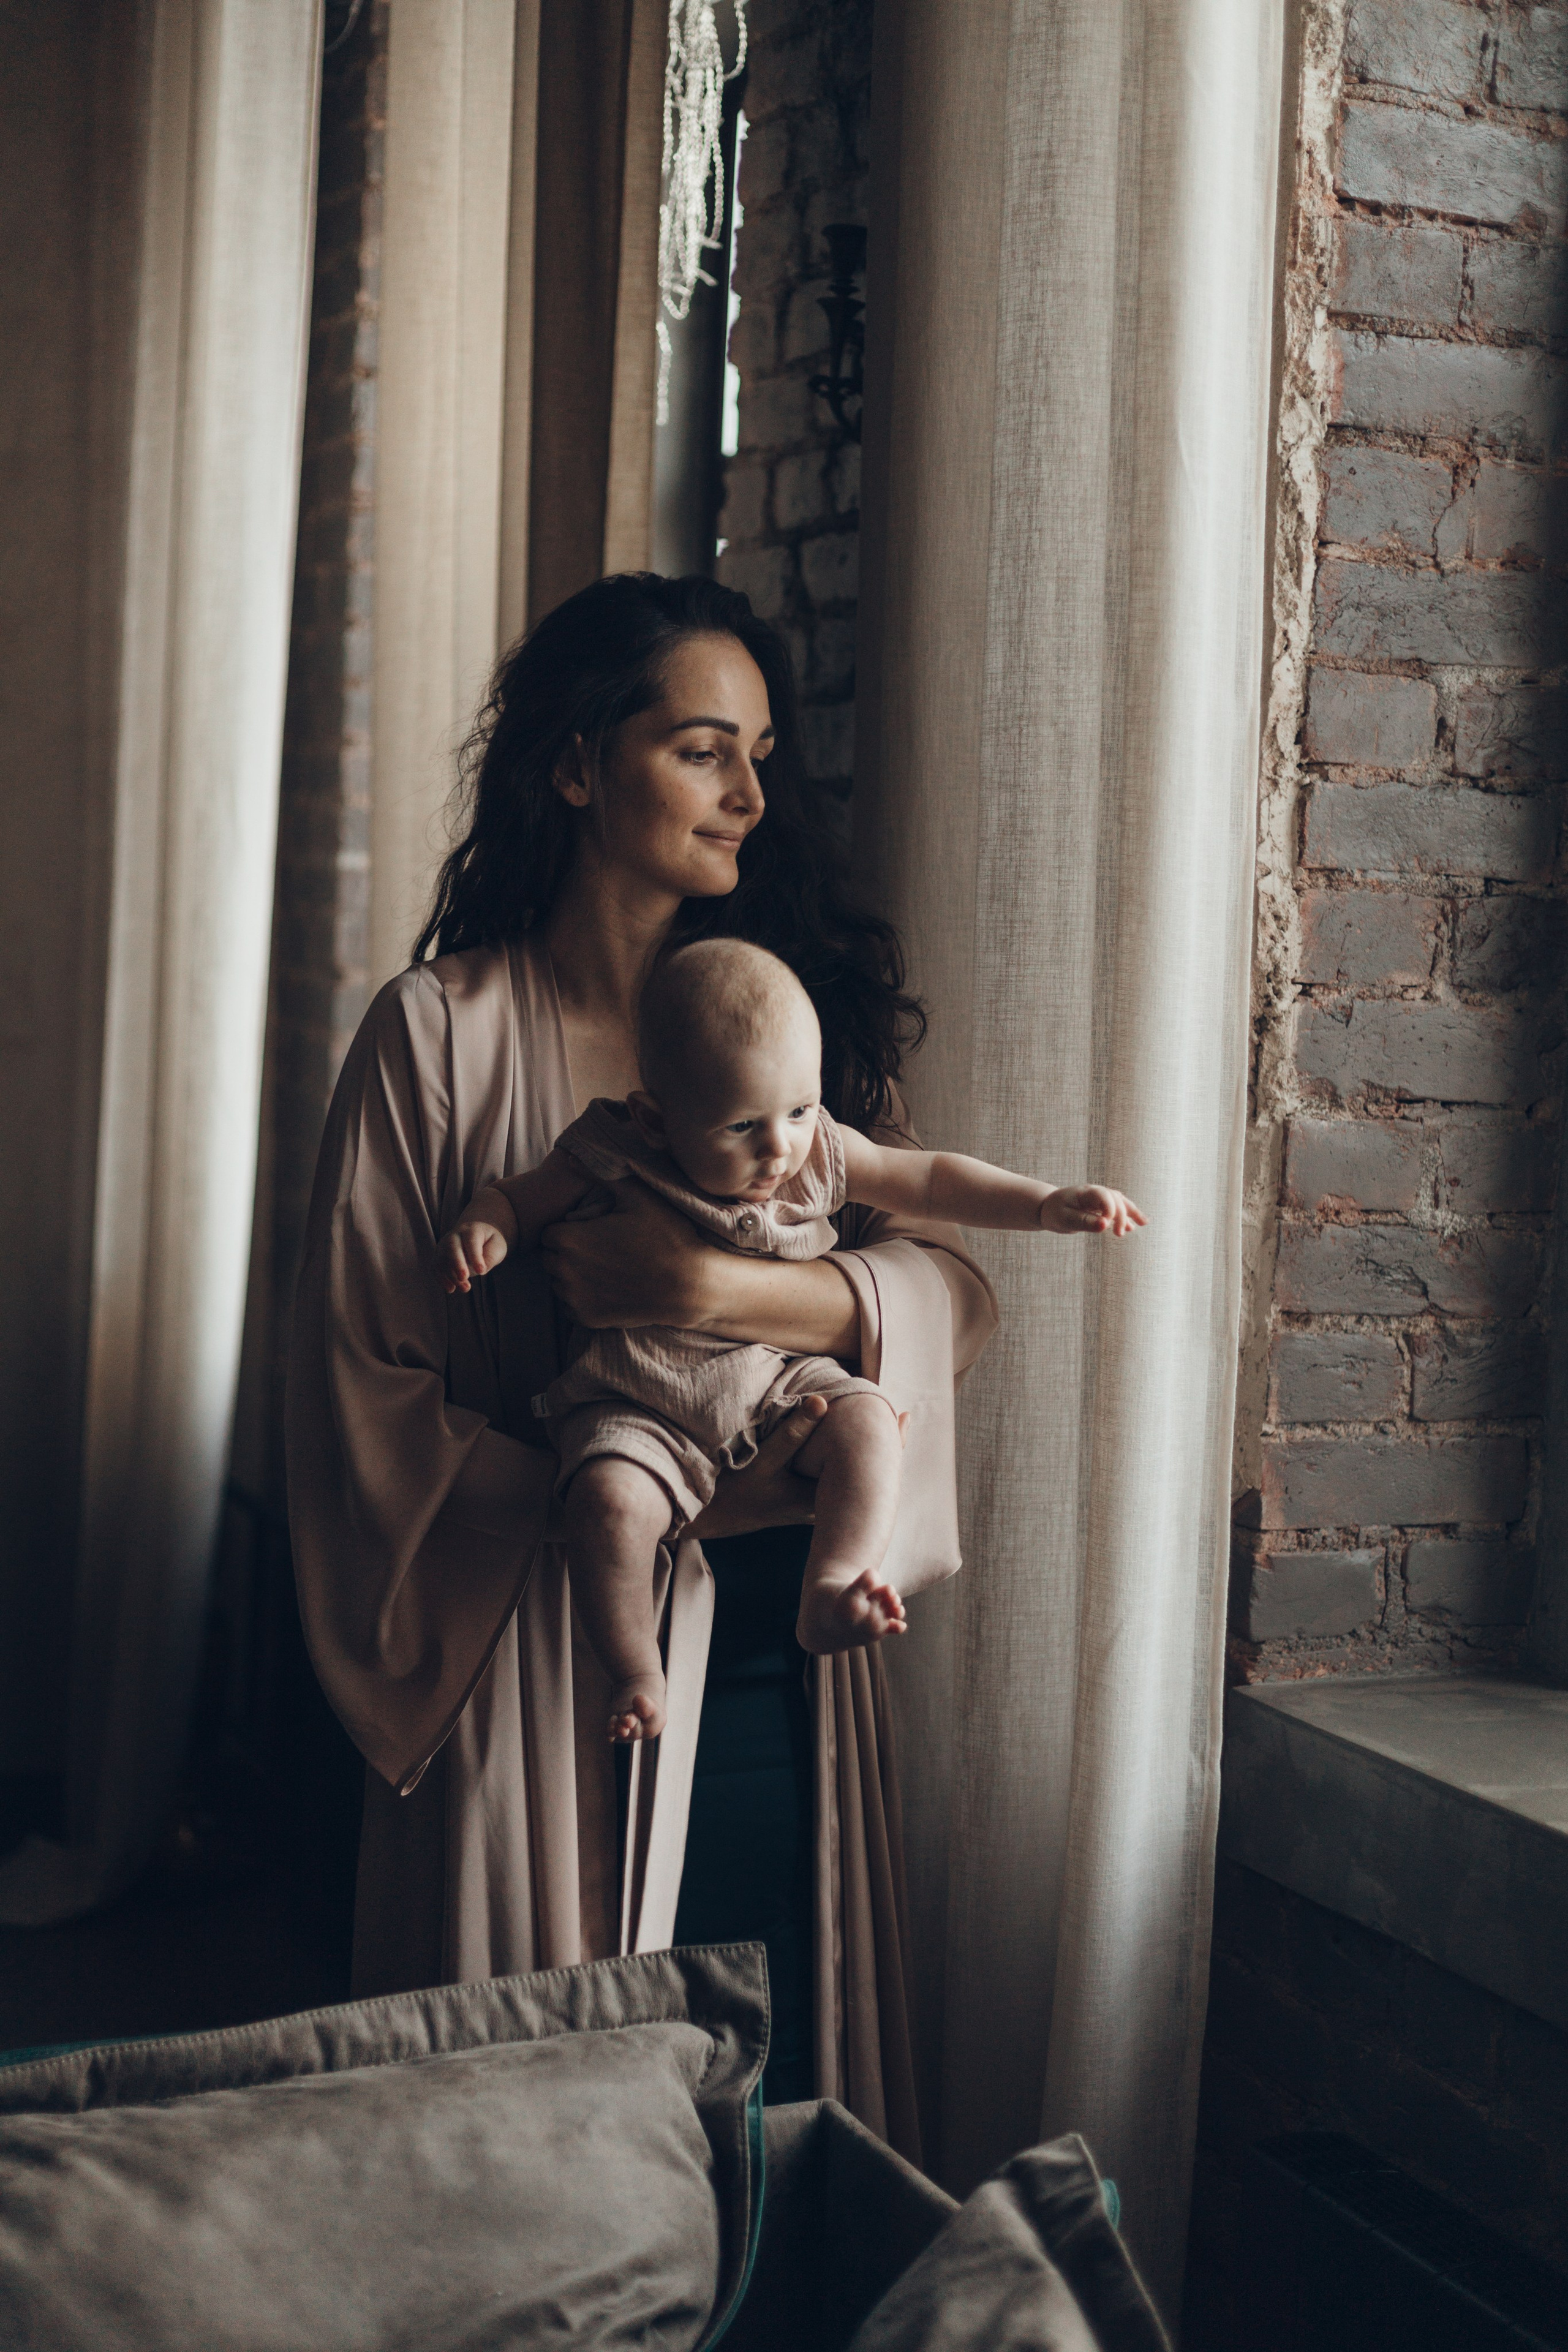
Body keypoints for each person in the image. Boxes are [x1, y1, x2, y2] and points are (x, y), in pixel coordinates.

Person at [287, 573, 1000, 2147]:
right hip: (543, 1669)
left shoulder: (784, 1036)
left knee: (765, 2105)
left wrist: (707, 1289)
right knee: (548, 2147)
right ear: (574, 767)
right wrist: (618, 1501)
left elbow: (950, 1298)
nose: (751, 792)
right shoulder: (436, 1038)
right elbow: (362, 1401)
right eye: (700, 749)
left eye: (758, 752)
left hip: (781, 1663)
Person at [439, 938, 1144, 1739]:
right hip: (638, 1405)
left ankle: (835, 1583)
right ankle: (635, 1668)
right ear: (656, 1118)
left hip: (776, 1384)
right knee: (608, 1505)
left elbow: (932, 1179)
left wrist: (1045, 1205)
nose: (779, 1148)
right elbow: (521, 1200)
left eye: (799, 1112)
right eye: (744, 1125)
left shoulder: (817, 1156)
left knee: (870, 1420)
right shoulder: (616, 1148)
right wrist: (487, 1228)